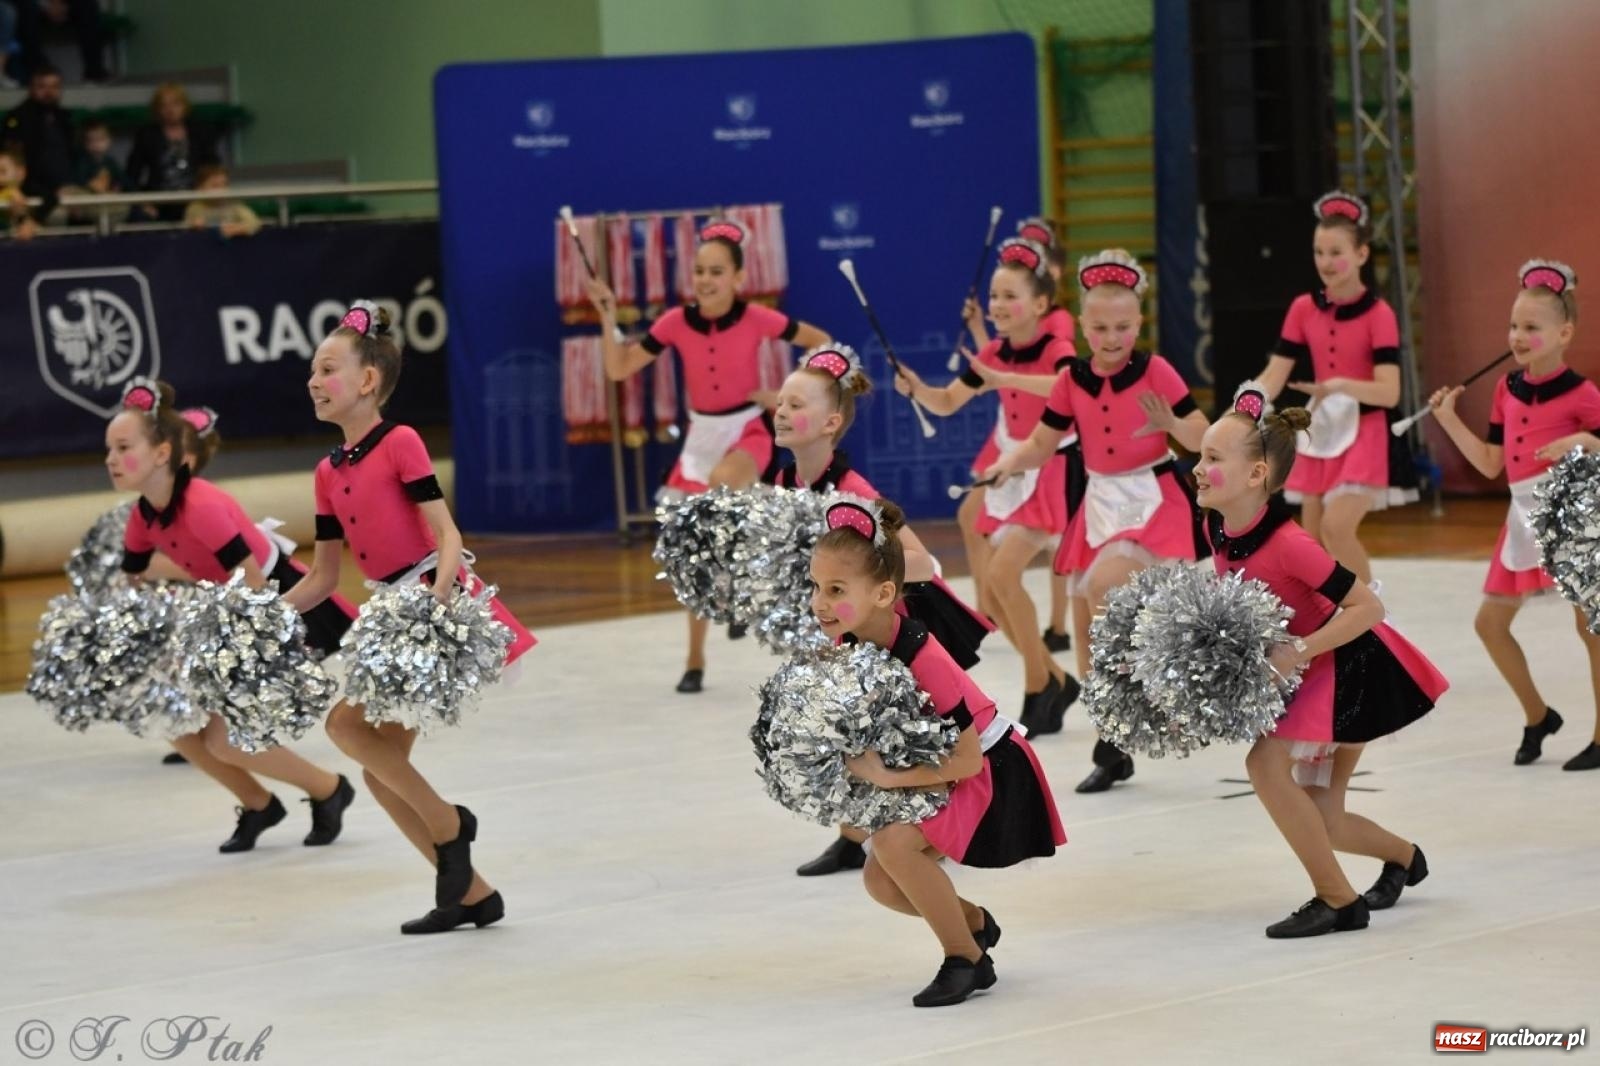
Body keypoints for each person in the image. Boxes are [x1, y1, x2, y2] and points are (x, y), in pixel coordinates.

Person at [283, 303, 537, 934]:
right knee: (377, 770)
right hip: (389, 608)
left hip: (428, 599)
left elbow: (446, 533)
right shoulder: (326, 472)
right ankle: (473, 894)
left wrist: (439, 600)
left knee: (346, 727)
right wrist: (260, 615)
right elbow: (321, 577)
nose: (314, 380)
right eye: (312, 370)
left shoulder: (400, 442)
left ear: (367, 381)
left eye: (328, 368)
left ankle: (452, 826)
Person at [1197, 391, 1446, 936]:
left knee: (1265, 766)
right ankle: (1406, 858)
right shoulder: (1216, 526)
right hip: (1305, 669)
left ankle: (1338, 900)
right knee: (1327, 820)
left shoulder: (1292, 544)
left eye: (1213, 459)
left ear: (1257, 474)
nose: (1198, 468)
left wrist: (1299, 651)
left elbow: (1368, 607)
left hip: (1350, 668)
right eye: (1201, 455)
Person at [811, 494, 1065, 1005]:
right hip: (939, 769)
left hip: (990, 770)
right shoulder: (852, 643)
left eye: (835, 589)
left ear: (884, 593)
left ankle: (966, 960)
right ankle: (973, 923)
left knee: (893, 846)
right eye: (814, 586)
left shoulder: (924, 657)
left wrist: (886, 777)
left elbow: (969, 759)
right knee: (880, 882)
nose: (819, 602)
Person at [977, 249, 1211, 792]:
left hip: (1150, 500)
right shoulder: (1072, 380)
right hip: (1100, 503)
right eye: (1101, 327)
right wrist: (1007, 464)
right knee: (1085, 621)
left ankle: (1144, 702)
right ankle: (1114, 739)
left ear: (1138, 323)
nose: (1111, 338)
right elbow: (1041, 444)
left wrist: (1172, 422)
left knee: (1106, 586)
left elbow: (1204, 438)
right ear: (1082, 324)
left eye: (1123, 327)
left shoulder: (1156, 369)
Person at [108, 378, 359, 853]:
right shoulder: (142, 518)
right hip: (224, 613)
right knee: (177, 723)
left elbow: (256, 588)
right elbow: (131, 584)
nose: (110, 458)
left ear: (162, 453)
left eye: (123, 447)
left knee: (224, 741)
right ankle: (259, 804)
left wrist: (215, 651)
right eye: (109, 448)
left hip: (277, 608)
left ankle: (329, 790)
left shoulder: (201, 506)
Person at [770, 345, 993, 877]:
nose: (780, 411)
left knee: (888, 728)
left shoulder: (854, 492)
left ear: (830, 423)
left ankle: (905, 828)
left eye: (795, 403)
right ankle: (857, 830)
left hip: (889, 627)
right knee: (847, 724)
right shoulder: (784, 483)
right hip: (841, 619)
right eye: (780, 401)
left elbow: (922, 561)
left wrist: (867, 586)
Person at [584, 219, 831, 693]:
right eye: (699, 270)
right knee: (695, 550)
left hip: (747, 430)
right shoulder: (675, 322)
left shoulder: (759, 317)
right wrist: (607, 314)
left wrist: (786, 394)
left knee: (723, 485)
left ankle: (739, 587)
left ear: (739, 278)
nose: (706, 279)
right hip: (700, 435)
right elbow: (619, 368)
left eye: (717, 271)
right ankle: (695, 658)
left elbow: (819, 342)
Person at [895, 238, 1080, 735]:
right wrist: (918, 389)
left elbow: (1070, 386)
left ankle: (1042, 682)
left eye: (1009, 296)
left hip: (1056, 468)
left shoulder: (1055, 348)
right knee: (998, 588)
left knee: (1001, 575)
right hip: (1015, 467)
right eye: (994, 296)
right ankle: (1053, 678)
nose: (997, 305)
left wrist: (1003, 379)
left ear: (1040, 304)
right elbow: (948, 401)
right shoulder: (996, 351)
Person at [1427, 258, 1600, 771]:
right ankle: (1537, 714)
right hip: (1523, 516)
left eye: (1531, 327)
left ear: (1564, 333)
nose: (1518, 336)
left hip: (1574, 520)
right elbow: (1489, 462)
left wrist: (1584, 440)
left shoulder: (1583, 393)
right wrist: (1447, 419)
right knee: (1490, 623)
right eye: (1513, 326)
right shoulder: (1507, 389)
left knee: (1589, 627)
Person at [1240, 191, 1406, 587]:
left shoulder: (1379, 314)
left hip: (1364, 430)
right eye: (1319, 252)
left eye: (1336, 252)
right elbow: (1276, 373)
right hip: (1320, 430)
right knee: (1310, 542)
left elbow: (1390, 393)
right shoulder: (1303, 308)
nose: (1326, 262)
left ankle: (1373, 618)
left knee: (1336, 526)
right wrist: (1248, 401)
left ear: (1362, 254)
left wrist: (1339, 386)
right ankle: (1329, 617)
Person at [126, 82, 220, 222]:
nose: (170, 110)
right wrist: (143, 202)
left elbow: (212, 166)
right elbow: (132, 173)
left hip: (195, 198)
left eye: (176, 104)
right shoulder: (147, 135)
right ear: (157, 109)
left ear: (185, 106)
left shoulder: (200, 132)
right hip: (160, 200)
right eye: (164, 105)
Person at [2, 63, 73, 216]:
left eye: (54, 87)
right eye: (42, 86)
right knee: (57, 216)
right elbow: (14, 159)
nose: (49, 92)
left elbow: (74, 154)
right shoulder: (19, 117)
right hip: (33, 188)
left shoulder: (64, 118)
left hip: (66, 186)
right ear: (31, 88)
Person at [184, 163, 261, 238]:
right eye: (215, 186)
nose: (221, 190)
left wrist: (239, 228)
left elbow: (254, 222)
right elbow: (185, 228)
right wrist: (194, 226)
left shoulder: (233, 204)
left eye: (224, 185)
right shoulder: (196, 206)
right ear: (200, 188)